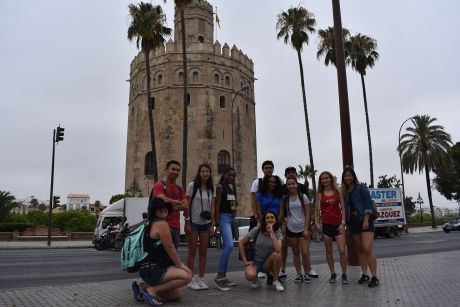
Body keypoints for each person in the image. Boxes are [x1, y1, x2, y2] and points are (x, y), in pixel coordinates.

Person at [132, 197, 192, 306]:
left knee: (175, 296)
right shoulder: (161, 224)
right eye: (159, 208)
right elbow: (170, 247)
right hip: (154, 269)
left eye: (165, 207)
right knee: (187, 275)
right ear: (153, 211)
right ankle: (153, 291)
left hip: (145, 270)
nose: (163, 209)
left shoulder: (148, 224)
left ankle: (143, 288)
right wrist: (180, 265)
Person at [341, 167, 379, 287]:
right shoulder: (345, 192)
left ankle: (375, 277)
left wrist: (366, 219)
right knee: (360, 249)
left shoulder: (361, 187)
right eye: (345, 176)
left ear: (353, 176)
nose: (347, 178)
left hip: (364, 220)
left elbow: (367, 203)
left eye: (349, 175)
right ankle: (365, 274)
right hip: (353, 222)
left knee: (367, 248)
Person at [281, 167, 318, 279]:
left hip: (303, 228)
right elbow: (282, 213)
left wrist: (306, 229)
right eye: (289, 184)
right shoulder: (285, 198)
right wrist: (283, 222)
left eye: (293, 184)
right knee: (296, 253)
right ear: (287, 186)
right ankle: (299, 274)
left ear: (297, 184)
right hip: (291, 229)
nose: (291, 186)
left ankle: (307, 273)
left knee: (305, 253)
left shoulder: (303, 197)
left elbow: (307, 214)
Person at [185, 163, 216, 290]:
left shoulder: (212, 188)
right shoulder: (193, 186)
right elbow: (187, 204)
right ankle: (190, 279)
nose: (205, 173)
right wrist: (187, 221)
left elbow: (213, 206)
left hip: (205, 223)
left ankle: (201, 279)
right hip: (193, 223)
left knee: (203, 252)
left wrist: (212, 224)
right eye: (203, 171)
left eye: (207, 171)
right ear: (199, 173)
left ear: (210, 173)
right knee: (192, 251)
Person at [314, 171, 348, 284]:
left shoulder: (338, 191)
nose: (324, 180)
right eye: (322, 179)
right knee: (329, 251)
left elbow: (343, 208)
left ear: (330, 179)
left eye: (326, 178)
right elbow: (316, 210)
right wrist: (317, 223)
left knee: (342, 250)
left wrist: (343, 223)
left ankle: (344, 274)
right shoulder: (319, 193)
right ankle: (333, 273)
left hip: (338, 225)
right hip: (326, 225)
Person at [239, 211, 284, 292]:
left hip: (267, 264)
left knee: (277, 255)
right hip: (255, 263)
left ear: (276, 220)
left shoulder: (277, 232)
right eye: (267, 218)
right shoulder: (257, 230)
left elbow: (278, 249)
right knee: (250, 276)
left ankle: (275, 281)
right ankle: (255, 278)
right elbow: (241, 243)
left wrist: (272, 233)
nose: (270, 219)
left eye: (272, 217)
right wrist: (245, 260)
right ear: (264, 220)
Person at [151, 160, 188, 249]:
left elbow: (186, 205)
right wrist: (177, 202)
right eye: (173, 169)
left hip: (176, 228)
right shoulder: (159, 185)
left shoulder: (180, 189)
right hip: (163, 227)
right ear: (167, 169)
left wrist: (169, 206)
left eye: (178, 170)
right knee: (163, 257)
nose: (175, 172)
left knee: (172, 257)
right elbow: (161, 199)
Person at [214, 167, 238, 291]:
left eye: (233, 176)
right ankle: (218, 277)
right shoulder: (220, 187)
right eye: (229, 175)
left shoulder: (231, 188)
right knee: (228, 245)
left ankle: (223, 277)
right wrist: (217, 224)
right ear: (224, 174)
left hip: (231, 218)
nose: (231, 178)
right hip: (223, 218)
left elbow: (234, 205)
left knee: (228, 248)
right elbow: (217, 206)